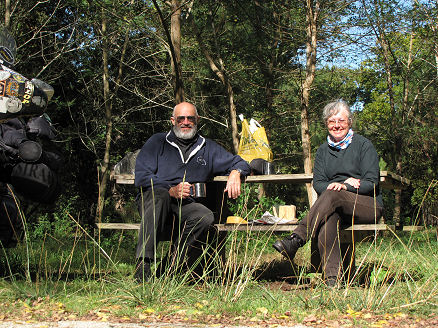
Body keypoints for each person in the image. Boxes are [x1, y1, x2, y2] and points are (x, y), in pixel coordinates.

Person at [134, 101, 251, 282]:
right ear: (173, 120)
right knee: (160, 196)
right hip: (155, 203)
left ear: (197, 120)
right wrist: (170, 189)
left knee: (204, 216)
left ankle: (168, 268)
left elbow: (241, 162)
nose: (185, 122)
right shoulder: (157, 142)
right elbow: (142, 176)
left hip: (185, 206)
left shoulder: (208, 147)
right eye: (181, 118)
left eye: (190, 118)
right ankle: (144, 265)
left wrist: (236, 173)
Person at [272, 99, 383, 287]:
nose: (337, 125)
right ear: (326, 124)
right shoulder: (323, 151)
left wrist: (346, 186)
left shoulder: (364, 145)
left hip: (367, 205)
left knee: (332, 193)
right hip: (335, 206)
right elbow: (319, 184)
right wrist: (337, 186)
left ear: (349, 122)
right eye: (332, 121)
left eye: (341, 120)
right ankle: (333, 279)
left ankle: (297, 239)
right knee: (327, 219)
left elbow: (370, 184)